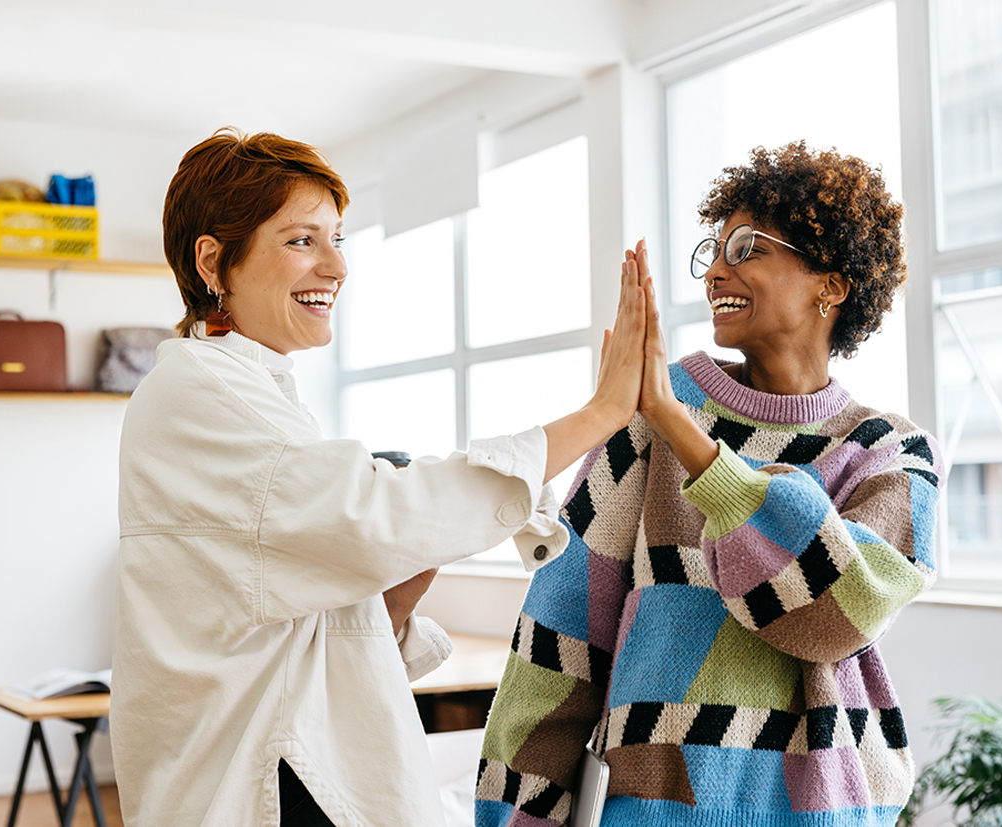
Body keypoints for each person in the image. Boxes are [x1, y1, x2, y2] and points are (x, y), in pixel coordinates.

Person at [110, 127, 648, 827]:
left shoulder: (258, 390)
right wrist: (600, 414)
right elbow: (374, 515)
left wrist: (388, 606)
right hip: (261, 781)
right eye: (303, 240)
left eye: (339, 239)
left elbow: (287, 599)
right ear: (214, 260)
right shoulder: (201, 392)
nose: (335, 265)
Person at [474, 141, 946, 827]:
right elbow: (557, 640)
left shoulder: (890, 453)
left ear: (832, 285)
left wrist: (681, 430)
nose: (715, 271)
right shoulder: (648, 421)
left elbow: (838, 611)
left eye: (747, 248)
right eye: (713, 251)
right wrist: (512, 816)